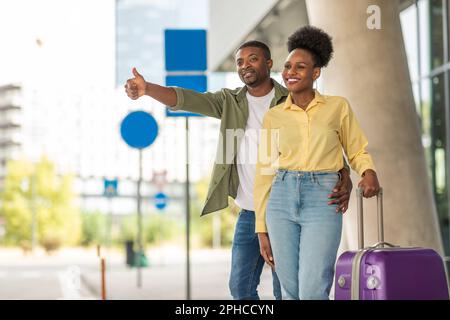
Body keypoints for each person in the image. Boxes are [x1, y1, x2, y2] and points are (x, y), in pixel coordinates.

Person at [124, 40, 353, 300]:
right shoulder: (229, 102)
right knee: (239, 288)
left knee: (287, 291)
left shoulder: (289, 99)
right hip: (248, 213)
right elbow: (187, 99)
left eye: (252, 59)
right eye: (240, 62)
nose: (245, 66)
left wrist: (344, 173)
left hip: (284, 207)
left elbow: (321, 144)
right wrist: (148, 89)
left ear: (268, 63)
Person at [254, 26, 380, 300]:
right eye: (288, 66)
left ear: (316, 73)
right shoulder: (274, 116)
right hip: (281, 199)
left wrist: (367, 172)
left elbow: (356, 148)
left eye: (300, 67)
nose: (291, 72)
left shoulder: (338, 107)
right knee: (290, 291)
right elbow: (264, 172)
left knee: (313, 290)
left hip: (323, 198)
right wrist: (261, 228)